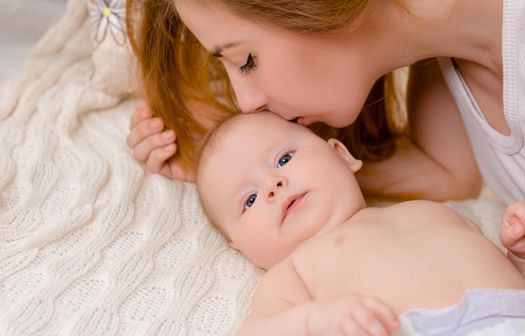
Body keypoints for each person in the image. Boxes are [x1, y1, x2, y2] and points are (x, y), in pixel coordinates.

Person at [125, 0, 524, 204]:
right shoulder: (444, 51)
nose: (246, 103)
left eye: (246, 60)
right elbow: (445, 176)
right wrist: (242, 166)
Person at [195, 111, 525, 336]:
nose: (272, 185)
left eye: (283, 159)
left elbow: (500, 273)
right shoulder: (293, 271)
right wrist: (312, 325)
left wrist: (517, 253)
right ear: (240, 247)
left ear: (341, 155)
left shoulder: (431, 209)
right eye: (249, 200)